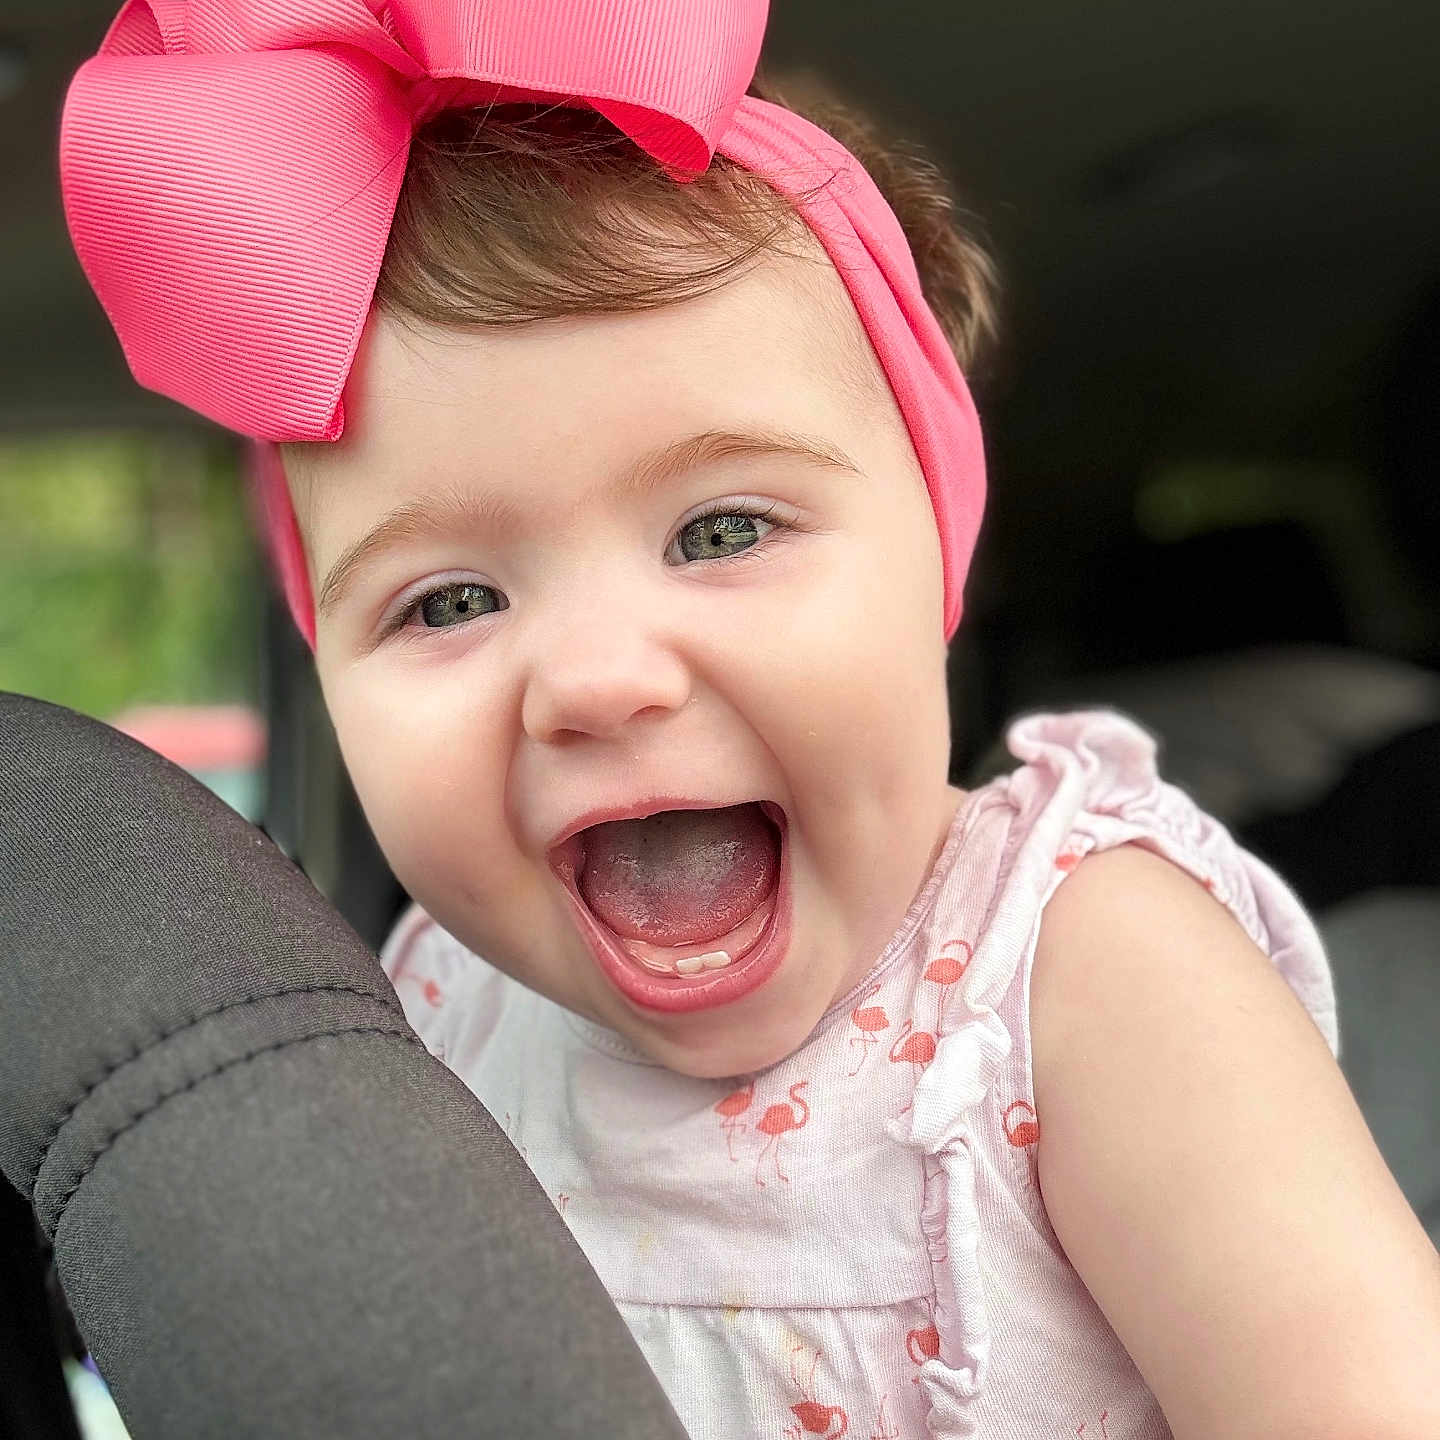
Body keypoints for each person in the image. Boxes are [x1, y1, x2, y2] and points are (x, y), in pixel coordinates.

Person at [59, 2, 1440, 1436]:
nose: (598, 680)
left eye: (721, 530)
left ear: (937, 549)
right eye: (451, 602)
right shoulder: (436, 1011)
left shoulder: (1078, 977)